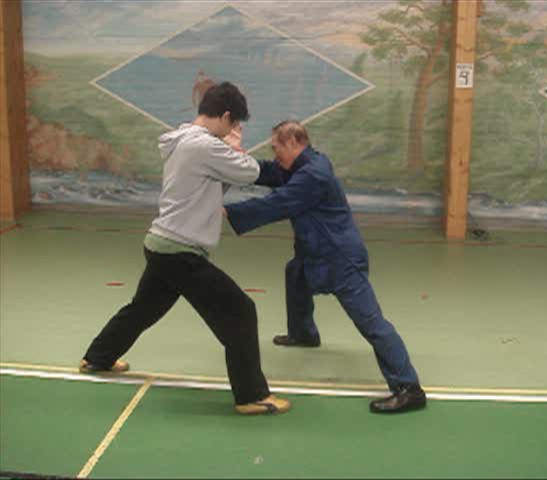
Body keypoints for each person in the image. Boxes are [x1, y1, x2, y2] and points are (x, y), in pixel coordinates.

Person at [79, 82, 290, 416]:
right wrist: (238, 150)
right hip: (180, 252)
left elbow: (219, 180)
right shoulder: (203, 145)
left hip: (161, 246)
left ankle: (97, 357)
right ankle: (251, 395)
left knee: (143, 309)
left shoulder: (183, 140)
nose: (232, 131)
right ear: (225, 116)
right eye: (233, 124)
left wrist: (231, 151)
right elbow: (251, 172)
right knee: (240, 311)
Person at [224, 121, 426, 413]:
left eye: (276, 147)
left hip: (341, 258)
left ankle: (409, 388)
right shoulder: (299, 166)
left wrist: (227, 211)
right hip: (315, 254)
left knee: (372, 323)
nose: (274, 153)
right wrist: (237, 164)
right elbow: (269, 172)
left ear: (293, 143)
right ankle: (304, 333)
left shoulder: (313, 175)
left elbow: (279, 203)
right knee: (295, 274)